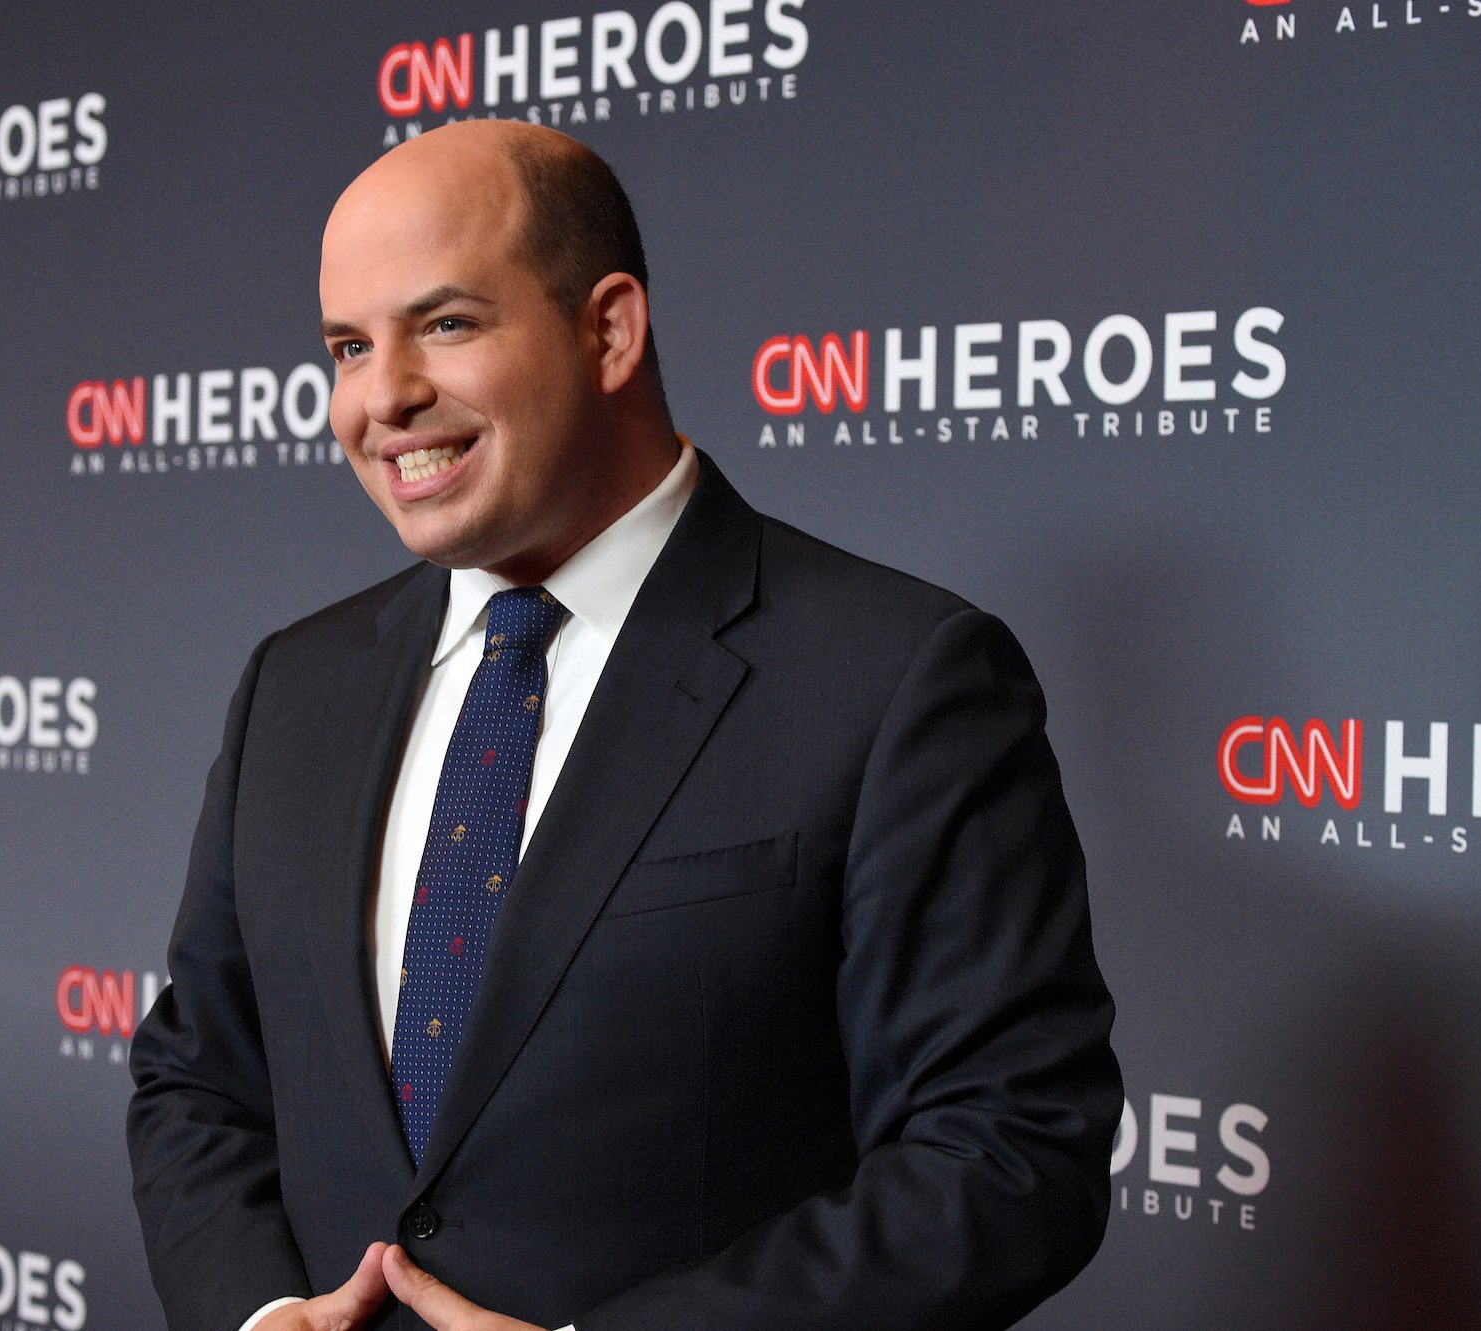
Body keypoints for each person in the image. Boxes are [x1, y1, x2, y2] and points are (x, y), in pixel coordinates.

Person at [128, 120, 1120, 1331]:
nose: (380, 396)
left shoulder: (896, 676)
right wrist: (256, 1308)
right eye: (348, 345)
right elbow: (195, 1074)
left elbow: (1010, 1151)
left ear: (608, 329)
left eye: (444, 324)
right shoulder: (296, 680)